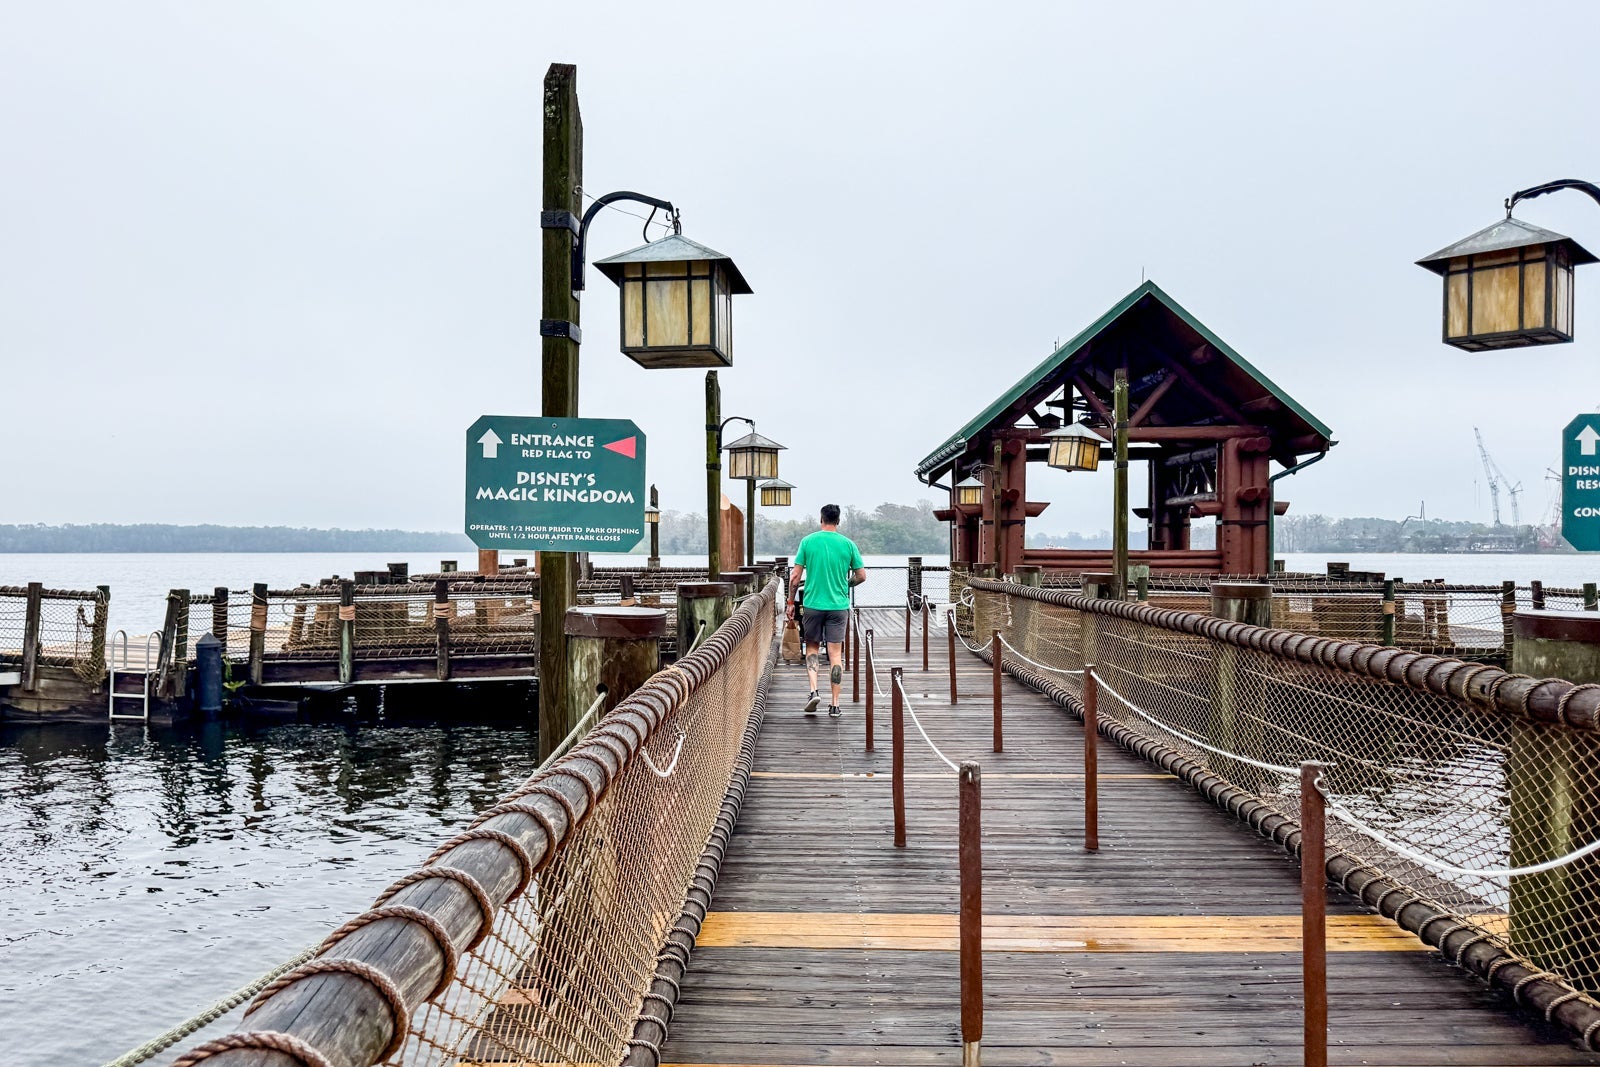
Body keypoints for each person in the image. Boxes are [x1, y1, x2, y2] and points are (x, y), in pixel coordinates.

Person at [787, 504, 866, 717]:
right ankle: (835, 704)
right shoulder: (849, 545)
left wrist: (790, 603)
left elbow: (795, 577)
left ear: (821, 519)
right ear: (838, 521)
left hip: (812, 605)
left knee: (812, 649)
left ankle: (813, 691)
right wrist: (846, 584)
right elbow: (861, 576)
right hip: (839, 607)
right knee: (835, 655)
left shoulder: (808, 542)